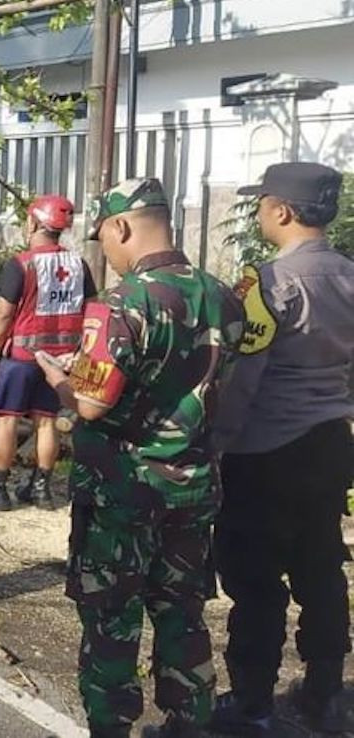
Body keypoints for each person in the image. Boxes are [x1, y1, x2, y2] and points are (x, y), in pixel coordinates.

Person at [34, 179, 244, 738]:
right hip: (194, 489)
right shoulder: (223, 296)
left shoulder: (123, 304)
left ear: (122, 227)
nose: (107, 251)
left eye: (105, 238)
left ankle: (112, 725)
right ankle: (190, 719)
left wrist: (59, 378)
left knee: (111, 621)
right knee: (183, 613)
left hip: (122, 495)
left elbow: (93, 403)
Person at [207, 162, 354, 737]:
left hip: (265, 451)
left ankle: (252, 702)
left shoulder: (265, 284)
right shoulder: (349, 275)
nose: (260, 211)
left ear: (282, 212)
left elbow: (244, 379)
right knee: (321, 568)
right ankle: (323, 692)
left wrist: (218, 446)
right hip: (329, 445)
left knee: (256, 578)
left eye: (263, 202)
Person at [0, 195, 95, 511]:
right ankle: (41, 490)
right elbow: (92, 308)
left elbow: (3, 314)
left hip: (22, 357)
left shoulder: (21, 264)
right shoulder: (79, 265)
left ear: (35, 223)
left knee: (7, 419)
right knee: (47, 420)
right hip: (58, 360)